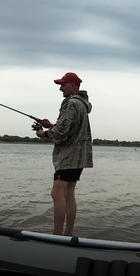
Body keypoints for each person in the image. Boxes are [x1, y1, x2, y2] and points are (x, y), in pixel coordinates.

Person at [36, 72, 93, 236]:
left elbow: (61, 132)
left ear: (74, 85)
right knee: (69, 193)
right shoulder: (82, 104)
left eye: (63, 84)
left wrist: (43, 134)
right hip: (78, 157)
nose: (61, 88)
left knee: (56, 193)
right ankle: (68, 234)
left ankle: (56, 235)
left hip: (68, 157)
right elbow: (69, 128)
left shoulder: (71, 103)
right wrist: (51, 125)